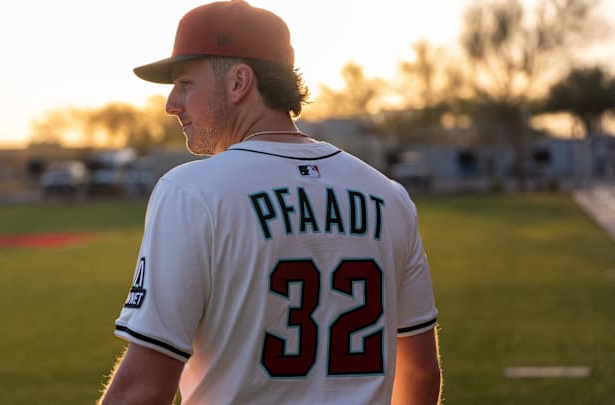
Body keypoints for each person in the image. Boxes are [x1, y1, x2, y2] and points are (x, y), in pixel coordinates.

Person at [99, 1, 442, 404]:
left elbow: (141, 388)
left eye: (185, 83)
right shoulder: (388, 195)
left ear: (239, 82)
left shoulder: (191, 192)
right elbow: (419, 372)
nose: (172, 104)